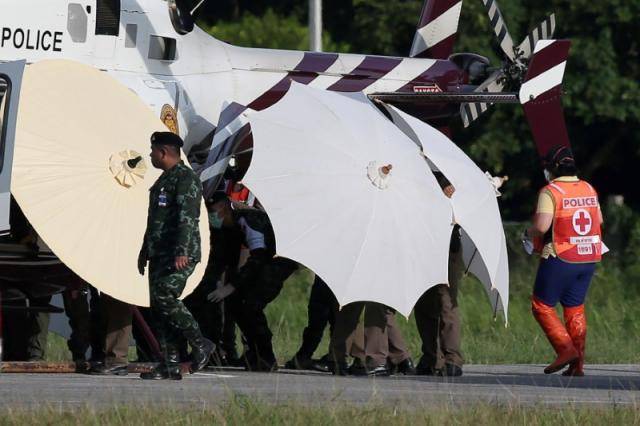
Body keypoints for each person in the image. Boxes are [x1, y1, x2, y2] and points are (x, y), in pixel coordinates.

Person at [137, 131, 214, 380]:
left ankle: (200, 342)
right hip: (160, 252)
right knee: (158, 307)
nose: (150, 155)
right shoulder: (164, 180)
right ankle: (169, 362)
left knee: (165, 295)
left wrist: (181, 251)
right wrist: (144, 251)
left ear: (163, 152)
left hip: (179, 253)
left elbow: (187, 217)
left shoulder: (185, 178)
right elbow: (155, 221)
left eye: (153, 151)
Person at [526, 145, 603, 376]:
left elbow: (542, 227)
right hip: (588, 256)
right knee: (574, 307)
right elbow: (599, 219)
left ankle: (565, 348)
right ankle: (577, 365)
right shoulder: (589, 187)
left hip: (561, 255)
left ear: (552, 168)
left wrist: (528, 233)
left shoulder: (551, 191)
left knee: (542, 305)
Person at [206, 191, 298, 372]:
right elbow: (227, 258)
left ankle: (266, 356)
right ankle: (254, 352)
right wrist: (220, 282)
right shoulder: (228, 228)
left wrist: (231, 286)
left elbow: (258, 258)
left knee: (251, 305)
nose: (212, 215)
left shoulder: (249, 221)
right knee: (234, 304)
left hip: (278, 262)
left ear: (224, 207)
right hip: (264, 262)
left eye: (213, 210)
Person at [414, 172, 464, 377]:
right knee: (424, 303)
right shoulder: (416, 176)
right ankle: (431, 356)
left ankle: (452, 358)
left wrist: (446, 197)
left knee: (446, 302)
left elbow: (460, 209)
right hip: (421, 246)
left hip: (446, 248)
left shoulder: (450, 178)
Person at [285, 275, 338, 371]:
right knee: (317, 317)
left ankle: (337, 358)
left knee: (338, 320)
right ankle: (304, 355)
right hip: (325, 277)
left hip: (338, 280)